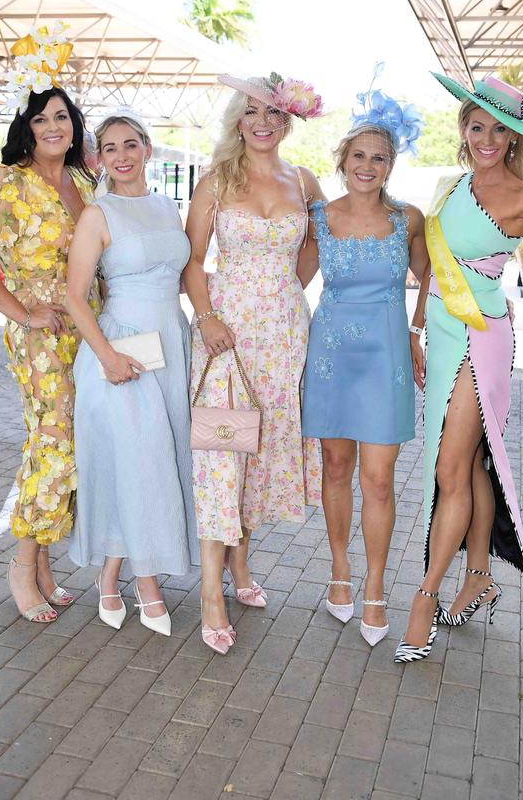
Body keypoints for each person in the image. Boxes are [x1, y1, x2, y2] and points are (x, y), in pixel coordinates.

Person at [396, 73, 523, 663]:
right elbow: (433, 266)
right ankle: (478, 574)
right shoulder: (451, 184)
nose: (487, 137)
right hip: (441, 331)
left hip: (482, 341)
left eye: (500, 129)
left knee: (450, 468)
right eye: (477, 125)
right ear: (463, 129)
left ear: (514, 138)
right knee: (468, 462)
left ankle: (424, 596)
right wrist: (415, 329)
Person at [0, 22, 99, 624]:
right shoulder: (3, 184)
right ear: (26, 126)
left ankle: (41, 563)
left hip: (87, 329)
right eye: (41, 119)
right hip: (40, 333)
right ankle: (22, 560)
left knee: (66, 442)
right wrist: (20, 313)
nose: (53, 128)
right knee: (55, 442)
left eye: (62, 117)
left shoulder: (86, 182)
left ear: (74, 125)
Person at [183, 71, 324, 653]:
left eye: (273, 114)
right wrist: (209, 315)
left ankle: (242, 571)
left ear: (287, 121)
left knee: (260, 457)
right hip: (226, 339)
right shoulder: (217, 179)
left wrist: (287, 295)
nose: (263, 124)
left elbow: (316, 246)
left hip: (285, 337)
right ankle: (211, 595)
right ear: (237, 119)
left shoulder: (304, 179)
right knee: (223, 455)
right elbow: (192, 261)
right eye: (252, 113)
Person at [301, 83, 428, 645]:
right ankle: (339, 572)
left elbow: (430, 280)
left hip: (385, 357)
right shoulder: (318, 219)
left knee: (378, 480)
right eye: (359, 157)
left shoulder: (409, 219)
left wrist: (418, 333)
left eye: (379, 158)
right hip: (329, 354)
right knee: (335, 468)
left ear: (390, 165)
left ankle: (375, 586)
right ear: (343, 161)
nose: (368, 166)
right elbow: (291, 282)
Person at [66, 109, 198, 637]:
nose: (121, 156)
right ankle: (147, 582)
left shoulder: (168, 207)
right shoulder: (98, 215)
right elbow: (75, 298)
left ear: (147, 148)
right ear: (100, 158)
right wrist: (107, 357)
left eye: (130, 144)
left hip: (172, 341)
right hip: (122, 349)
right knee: (140, 461)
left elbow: (182, 276)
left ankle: (111, 571)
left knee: (156, 460)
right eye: (109, 148)